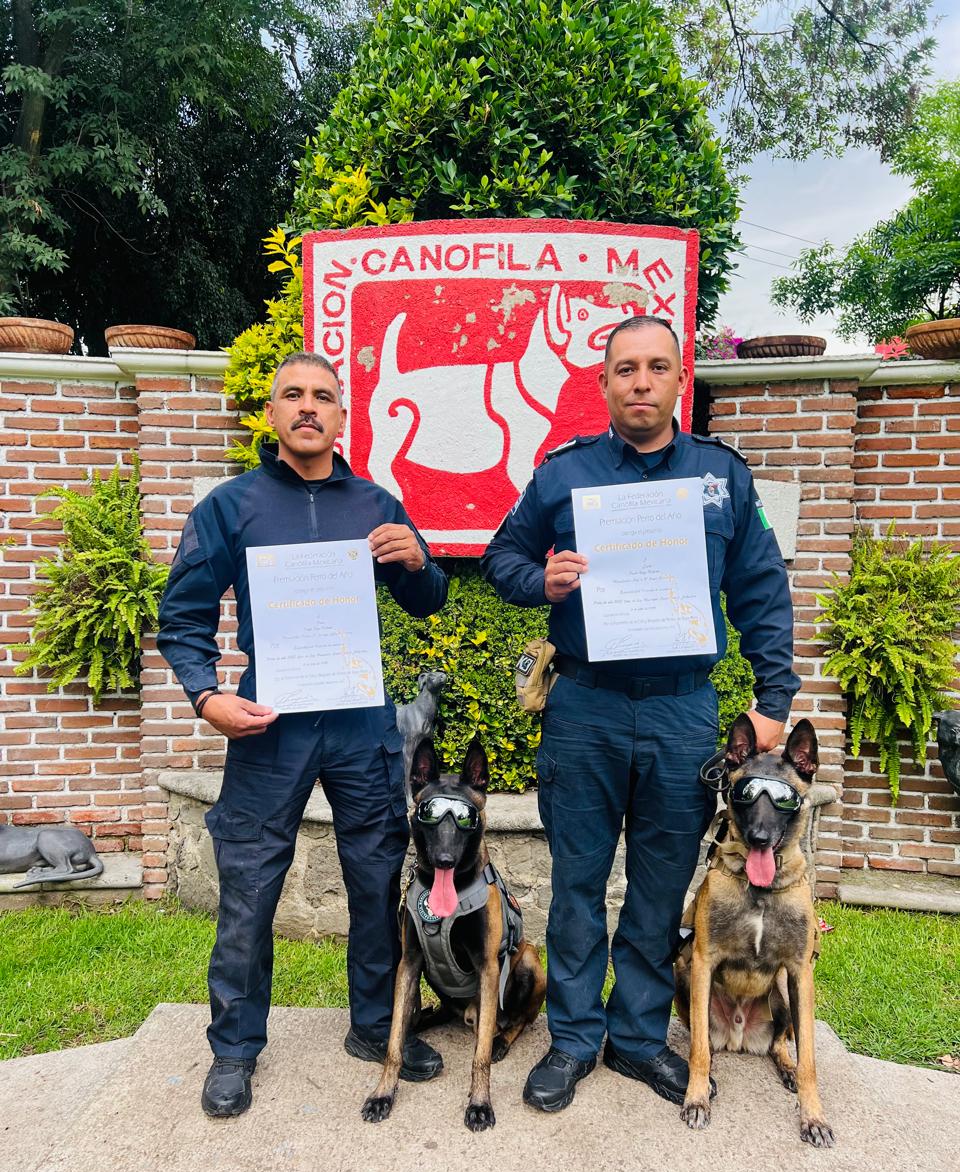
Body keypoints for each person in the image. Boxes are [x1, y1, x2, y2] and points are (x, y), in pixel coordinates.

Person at [480, 314, 800, 1113]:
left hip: (682, 713)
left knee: (659, 889)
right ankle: (574, 1039)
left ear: (680, 378)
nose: (642, 382)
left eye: (658, 366)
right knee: (578, 885)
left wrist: (773, 701)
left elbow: (761, 588)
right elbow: (500, 557)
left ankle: (635, 1037)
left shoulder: (721, 476)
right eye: (626, 369)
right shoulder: (564, 475)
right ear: (604, 383)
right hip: (585, 708)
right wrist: (541, 581)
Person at [158, 351, 449, 1118]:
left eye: (323, 395)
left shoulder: (376, 503)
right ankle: (234, 1049)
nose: (309, 406)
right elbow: (182, 618)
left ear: (343, 415)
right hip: (270, 725)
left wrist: (418, 562)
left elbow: (427, 599)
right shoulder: (232, 506)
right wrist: (206, 696)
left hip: (361, 723)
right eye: (293, 394)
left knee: (374, 880)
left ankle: (373, 1026)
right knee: (250, 887)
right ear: (273, 412)